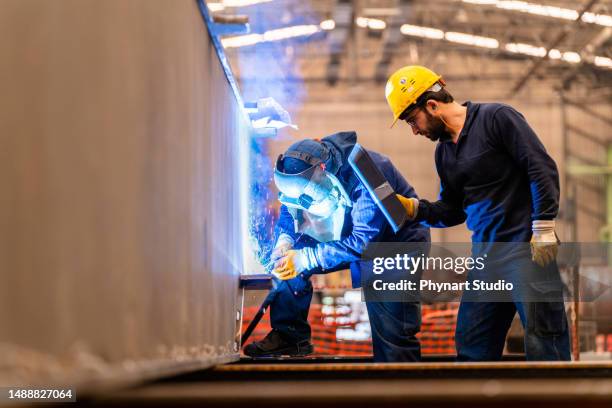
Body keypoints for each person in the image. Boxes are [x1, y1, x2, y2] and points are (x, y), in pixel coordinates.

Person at [385, 65, 571, 361]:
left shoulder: (497, 119)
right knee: (472, 344)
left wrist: (544, 226)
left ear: (432, 105)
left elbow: (540, 167)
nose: (415, 130)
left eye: (413, 120)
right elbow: (453, 210)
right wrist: (415, 209)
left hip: (527, 250)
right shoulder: (444, 153)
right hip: (486, 259)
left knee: (543, 339)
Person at [243, 131, 430, 362]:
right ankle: (290, 335)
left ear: (322, 169)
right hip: (348, 232)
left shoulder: (367, 173)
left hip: (393, 245)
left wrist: (306, 259)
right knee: (287, 261)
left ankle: (400, 388)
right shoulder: (298, 172)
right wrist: (284, 242)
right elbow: (289, 210)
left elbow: (363, 242)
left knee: (391, 334)